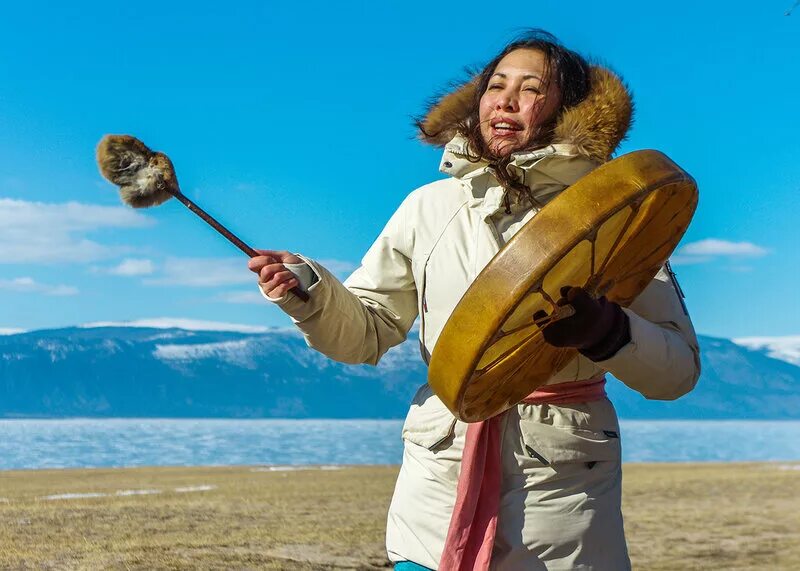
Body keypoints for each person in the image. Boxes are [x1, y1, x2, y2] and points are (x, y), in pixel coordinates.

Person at [248, 30, 700, 571]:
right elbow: (367, 332)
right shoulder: (428, 208)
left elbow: (676, 372)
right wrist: (310, 291)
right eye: (496, 86)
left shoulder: (615, 215)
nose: (506, 101)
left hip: (561, 505)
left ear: (570, 110)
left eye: (531, 88)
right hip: (437, 490)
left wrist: (607, 331)